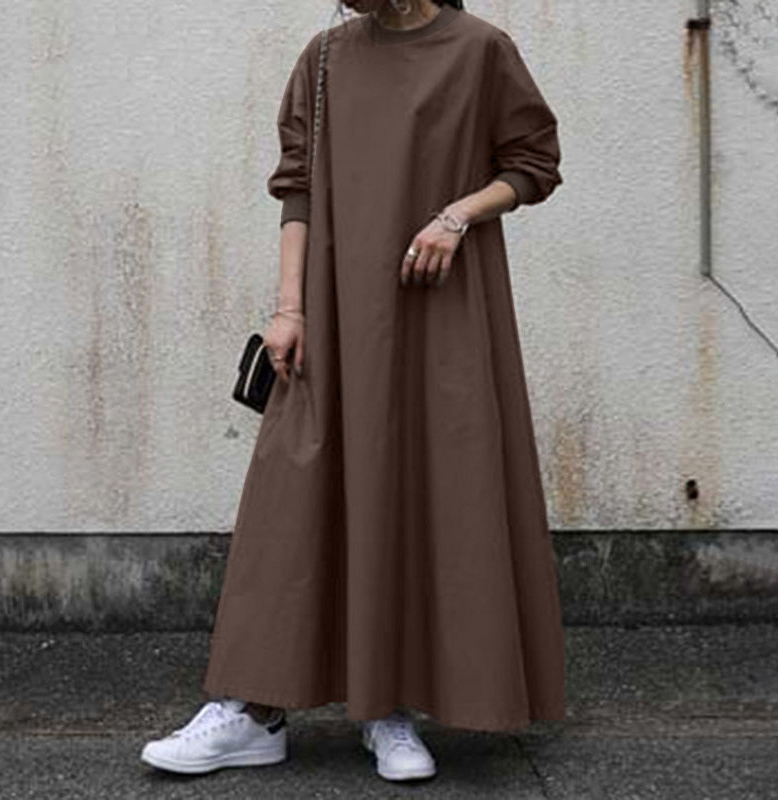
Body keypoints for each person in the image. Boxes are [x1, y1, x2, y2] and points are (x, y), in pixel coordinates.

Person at [141, 0, 565, 783]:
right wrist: (289, 309)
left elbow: (533, 164)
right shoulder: (326, 57)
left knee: (418, 489)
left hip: (440, 313)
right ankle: (251, 711)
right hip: (333, 308)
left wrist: (457, 216)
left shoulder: (481, 50)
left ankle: (385, 708)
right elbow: (297, 189)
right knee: (292, 495)